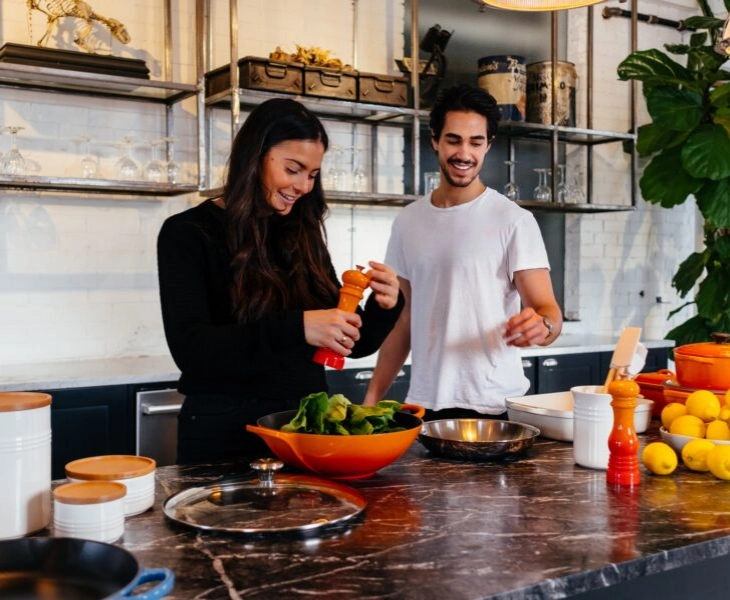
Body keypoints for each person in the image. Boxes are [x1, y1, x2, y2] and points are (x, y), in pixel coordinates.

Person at [157, 98, 404, 464]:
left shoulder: (302, 232)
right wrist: (297, 327)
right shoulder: (188, 233)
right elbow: (192, 352)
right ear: (255, 157)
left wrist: (384, 306)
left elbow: (347, 344)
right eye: (293, 169)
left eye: (313, 174)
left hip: (304, 431)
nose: (304, 186)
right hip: (224, 435)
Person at [363, 84, 562, 420]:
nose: (464, 153)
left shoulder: (513, 220)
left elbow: (548, 312)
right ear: (435, 140)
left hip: (495, 405)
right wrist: (371, 400)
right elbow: (403, 320)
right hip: (425, 405)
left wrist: (542, 327)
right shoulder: (408, 221)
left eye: (476, 142)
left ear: (489, 145)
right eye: (454, 140)